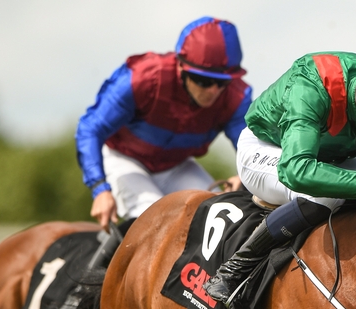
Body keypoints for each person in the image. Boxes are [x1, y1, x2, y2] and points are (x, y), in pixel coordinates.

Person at [202, 41, 356, 309]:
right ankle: (234, 270)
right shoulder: (312, 85)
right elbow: (296, 170)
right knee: (329, 194)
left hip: (327, 157)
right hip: (268, 150)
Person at [76, 16, 252, 231]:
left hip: (177, 166)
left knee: (222, 216)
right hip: (124, 160)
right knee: (159, 220)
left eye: (222, 82)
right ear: (181, 66)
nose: (213, 91)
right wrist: (99, 189)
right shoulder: (141, 78)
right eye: (204, 81)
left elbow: (250, 146)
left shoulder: (235, 96)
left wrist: (245, 176)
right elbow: (90, 129)